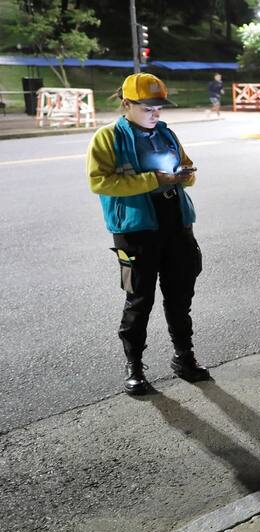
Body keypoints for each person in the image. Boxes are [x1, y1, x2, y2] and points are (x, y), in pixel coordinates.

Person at [87, 73, 208, 395]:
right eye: (148, 108)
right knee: (139, 300)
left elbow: (189, 168)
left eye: (159, 108)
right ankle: (135, 367)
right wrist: (153, 180)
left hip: (177, 226)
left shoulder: (166, 134)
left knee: (180, 297)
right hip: (135, 232)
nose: (156, 114)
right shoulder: (108, 138)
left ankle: (184, 357)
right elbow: (99, 181)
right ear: (127, 104)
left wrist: (184, 176)